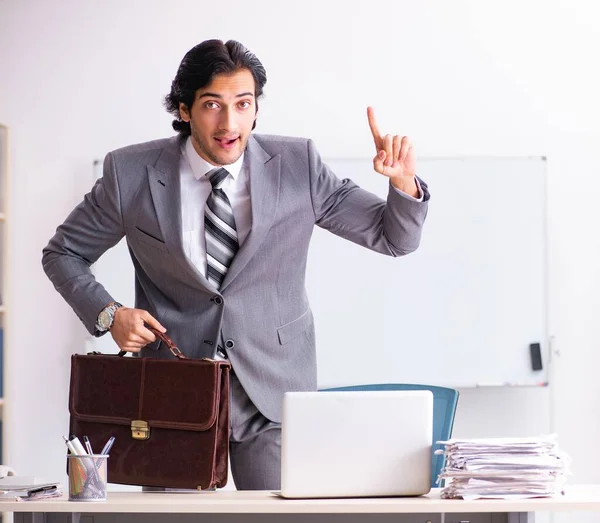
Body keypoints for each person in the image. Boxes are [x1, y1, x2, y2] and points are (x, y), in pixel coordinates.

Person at [42, 39, 430, 490]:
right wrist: (110, 315)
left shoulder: (297, 164)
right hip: (173, 392)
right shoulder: (131, 174)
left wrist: (403, 184)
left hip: (273, 395)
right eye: (212, 105)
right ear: (184, 109)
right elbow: (63, 252)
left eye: (243, 104)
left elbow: (393, 238)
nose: (230, 123)